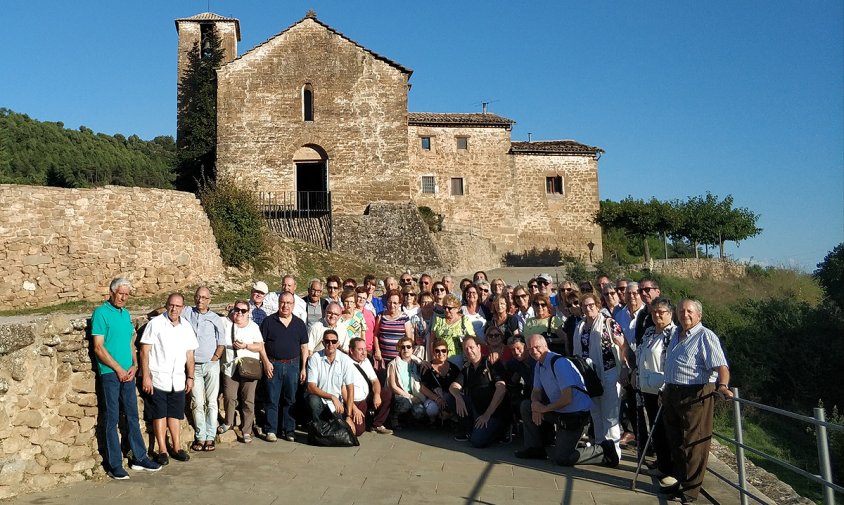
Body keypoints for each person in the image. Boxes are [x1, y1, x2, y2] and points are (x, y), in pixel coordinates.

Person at [660, 299, 733, 503]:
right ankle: (680, 483)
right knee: (676, 442)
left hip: (696, 394)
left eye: (690, 311)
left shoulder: (705, 336)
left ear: (699, 315)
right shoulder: (676, 334)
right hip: (672, 393)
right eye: (681, 311)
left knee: (694, 443)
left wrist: (723, 386)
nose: (685, 315)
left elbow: (721, 367)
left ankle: (691, 491)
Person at [91, 278, 161, 479]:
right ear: (111, 292)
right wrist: (118, 369)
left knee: (132, 415)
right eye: (120, 293)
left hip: (127, 373)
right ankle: (114, 464)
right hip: (110, 374)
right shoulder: (101, 313)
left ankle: (139, 457)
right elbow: (98, 347)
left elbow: (130, 342)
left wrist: (134, 365)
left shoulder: (125, 314)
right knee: (112, 418)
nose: (123, 297)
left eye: (127, 294)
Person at [515, 334, 619, 467]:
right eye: (530, 349)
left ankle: (602, 450)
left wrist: (543, 409)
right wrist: (535, 404)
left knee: (562, 458)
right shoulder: (539, 366)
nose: (534, 351)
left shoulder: (559, 363)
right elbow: (536, 391)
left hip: (575, 414)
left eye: (537, 347)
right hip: (559, 410)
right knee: (526, 406)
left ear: (545, 346)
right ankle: (535, 448)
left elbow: (567, 398)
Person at [140, 293, 198, 465]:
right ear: (166, 305)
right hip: (158, 377)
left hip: (178, 379)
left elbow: (190, 355)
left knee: (175, 414)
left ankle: (177, 447)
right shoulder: (155, 324)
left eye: (178, 306)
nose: (174, 309)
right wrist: (146, 377)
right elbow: (144, 352)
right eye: (171, 305)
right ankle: (163, 450)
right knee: (159, 414)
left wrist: (190, 376)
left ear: (183, 308)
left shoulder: (186, 327)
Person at [572, 293, 628, 463]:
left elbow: (623, 345)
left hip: (608, 372)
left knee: (609, 414)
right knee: (595, 412)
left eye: (591, 305)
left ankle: (614, 452)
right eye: (584, 306)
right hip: (589, 374)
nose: (588, 309)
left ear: (597, 305)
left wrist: (625, 368)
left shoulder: (608, 323)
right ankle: (600, 449)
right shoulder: (580, 326)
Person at [181, 286, 226, 453]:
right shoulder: (187, 312)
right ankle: (201, 435)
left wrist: (215, 357)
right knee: (198, 402)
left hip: (211, 364)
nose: (200, 300)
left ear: (209, 300)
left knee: (212, 402)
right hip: (194, 365)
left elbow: (221, 341)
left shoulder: (215, 318)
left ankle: (210, 436)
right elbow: (171, 307)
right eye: (198, 297)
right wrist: (153, 315)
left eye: (204, 298)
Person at [259, 291, 309, 442]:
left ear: (293, 305)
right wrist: (266, 362)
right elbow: (261, 345)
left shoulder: (299, 324)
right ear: (278, 303)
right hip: (273, 364)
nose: (285, 305)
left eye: (289, 303)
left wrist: (303, 368)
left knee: (290, 399)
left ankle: (289, 430)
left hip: (293, 365)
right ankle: (271, 430)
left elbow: (304, 347)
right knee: (272, 399)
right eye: (283, 302)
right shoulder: (268, 321)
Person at [634, 296, 674, 479]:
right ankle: (662, 463)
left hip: (661, 389)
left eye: (661, 312)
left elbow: (672, 363)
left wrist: (665, 388)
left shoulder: (673, 334)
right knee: (655, 429)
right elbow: (641, 354)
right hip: (646, 387)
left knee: (666, 430)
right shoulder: (649, 331)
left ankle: (669, 468)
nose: (657, 315)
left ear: (670, 314)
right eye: (654, 312)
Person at [219, 300, 266, 444]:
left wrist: (245, 346)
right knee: (229, 396)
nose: (239, 313)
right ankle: (228, 422)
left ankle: (247, 429)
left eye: (243, 311)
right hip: (230, 367)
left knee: (248, 400)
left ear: (248, 313)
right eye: (237, 309)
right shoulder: (226, 324)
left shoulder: (253, 327)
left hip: (249, 368)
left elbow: (259, 346)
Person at [449, 336, 509, 447]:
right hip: (476, 410)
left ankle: (498, 431)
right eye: (466, 349)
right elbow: (453, 386)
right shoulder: (467, 368)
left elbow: (501, 389)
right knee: (450, 397)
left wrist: (487, 414)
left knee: (477, 442)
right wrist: (458, 397)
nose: (469, 351)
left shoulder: (491, 362)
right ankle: (470, 430)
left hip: (493, 413)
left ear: (478, 347)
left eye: (471, 347)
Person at [305, 329, 355, 431]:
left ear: (338, 344)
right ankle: (317, 429)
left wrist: (349, 416)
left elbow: (350, 389)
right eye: (327, 341)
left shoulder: (345, 360)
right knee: (312, 400)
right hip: (319, 401)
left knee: (353, 430)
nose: (330, 344)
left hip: (336, 406)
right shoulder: (315, 358)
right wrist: (332, 397)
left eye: (333, 341)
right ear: (323, 343)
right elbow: (311, 387)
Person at [346, 337, 393, 435]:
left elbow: (375, 381)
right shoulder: (345, 364)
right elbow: (343, 392)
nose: (363, 352)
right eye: (360, 349)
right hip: (353, 401)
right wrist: (354, 409)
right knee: (358, 431)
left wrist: (376, 394)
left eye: (364, 349)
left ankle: (377, 424)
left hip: (366, 397)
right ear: (351, 350)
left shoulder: (366, 361)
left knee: (386, 393)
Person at [387, 336, 427, 428]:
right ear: (399, 349)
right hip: (399, 395)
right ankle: (394, 417)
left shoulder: (417, 364)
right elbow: (393, 386)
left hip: (415, 393)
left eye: (408, 347)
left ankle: (408, 418)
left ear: (413, 349)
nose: (406, 349)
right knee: (406, 404)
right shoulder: (393, 364)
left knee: (420, 412)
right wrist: (410, 397)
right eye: (403, 347)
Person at [418, 338, 461, 423]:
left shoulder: (454, 368)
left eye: (443, 350)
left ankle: (449, 416)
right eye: (437, 351)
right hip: (434, 399)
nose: (441, 353)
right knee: (432, 409)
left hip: (450, 398)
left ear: (447, 352)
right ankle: (435, 420)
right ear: (433, 352)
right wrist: (437, 399)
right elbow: (422, 388)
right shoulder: (427, 367)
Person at [430, 294, 476, 367]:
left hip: (458, 357)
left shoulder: (464, 320)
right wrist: (433, 355)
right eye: (444, 307)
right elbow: (432, 339)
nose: (446, 310)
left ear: (457, 309)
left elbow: (472, 338)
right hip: (440, 355)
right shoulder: (438, 319)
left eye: (449, 308)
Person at [373, 289, 414, 366]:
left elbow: (409, 339)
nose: (392, 305)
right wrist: (377, 350)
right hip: (383, 359)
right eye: (390, 302)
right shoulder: (381, 316)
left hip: (399, 360)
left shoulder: (404, 318)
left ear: (399, 304)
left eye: (395, 303)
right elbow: (375, 335)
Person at [409, 290, 435, 360]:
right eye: (423, 302)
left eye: (429, 302)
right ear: (420, 304)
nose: (426, 304)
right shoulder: (414, 318)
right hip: (419, 353)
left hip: (434, 353)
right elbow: (411, 338)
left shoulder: (437, 319)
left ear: (433, 304)